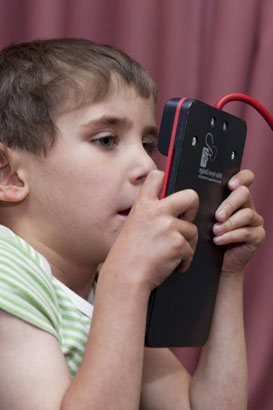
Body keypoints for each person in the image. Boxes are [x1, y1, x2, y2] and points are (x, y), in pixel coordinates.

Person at [0, 38, 265, 410]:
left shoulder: (101, 282)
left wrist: (226, 272)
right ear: (9, 175)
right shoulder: (8, 273)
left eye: (148, 144)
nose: (147, 166)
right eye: (107, 140)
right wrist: (127, 280)